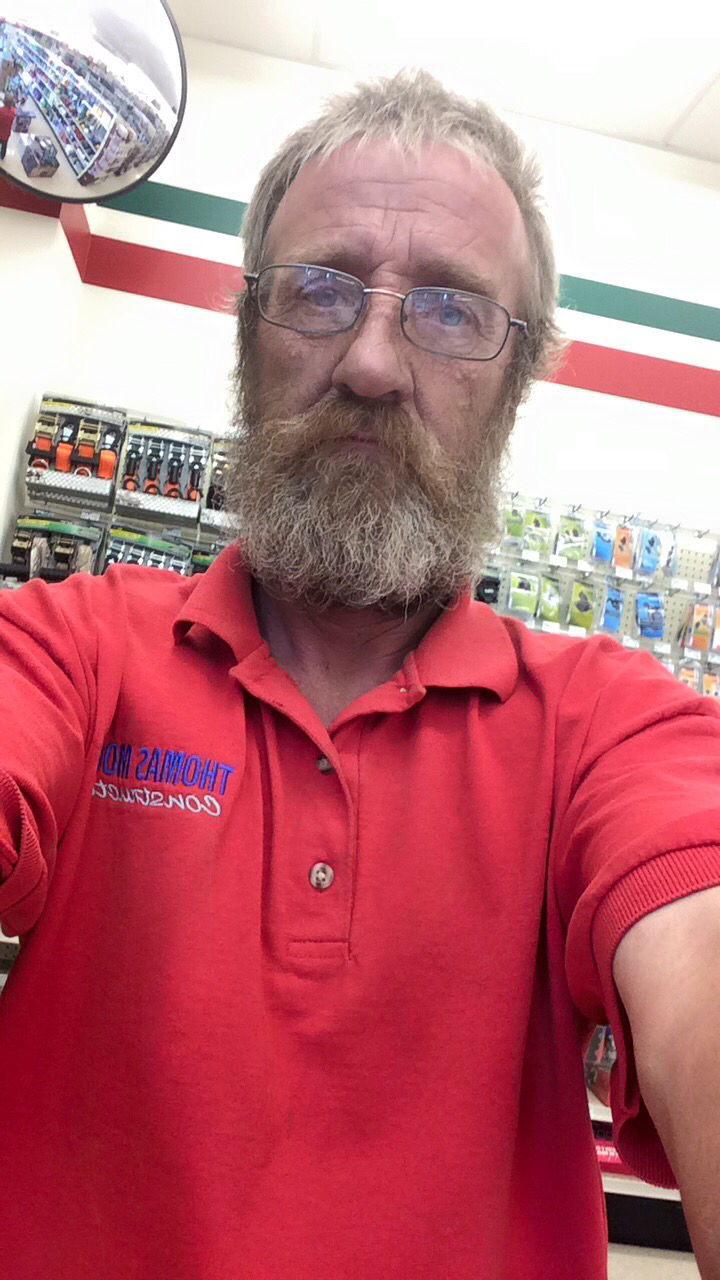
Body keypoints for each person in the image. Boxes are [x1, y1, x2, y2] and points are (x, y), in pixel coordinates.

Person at [1, 68, 719, 1280]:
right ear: (248, 333)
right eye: (320, 289)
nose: (374, 362)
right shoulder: (76, 644)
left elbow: (698, 929)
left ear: (514, 383)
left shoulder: (608, 723)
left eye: (452, 310)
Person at [0, 91, 15, 160]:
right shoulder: (12, 111)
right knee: (4, 145)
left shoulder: (1, 111)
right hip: (6, 134)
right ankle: (2, 156)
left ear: (4, 101)